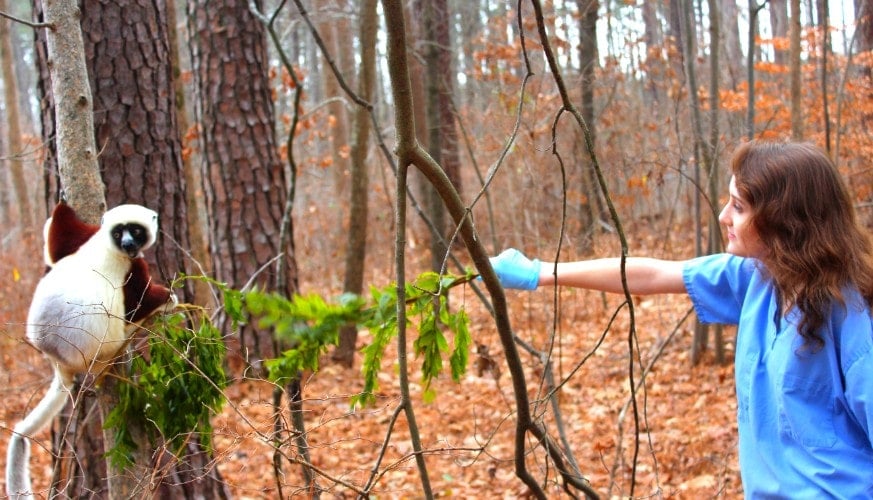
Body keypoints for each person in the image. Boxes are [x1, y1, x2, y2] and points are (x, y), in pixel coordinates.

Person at [489, 140, 873, 497]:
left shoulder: (855, 317)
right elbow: (651, 274)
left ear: (784, 220)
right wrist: (540, 272)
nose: (723, 215)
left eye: (738, 207)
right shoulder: (757, 278)